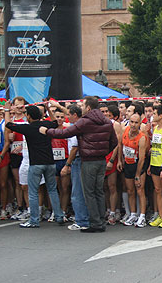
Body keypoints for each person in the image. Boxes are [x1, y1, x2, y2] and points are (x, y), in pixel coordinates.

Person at [41, 96, 117, 233]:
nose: (81, 108)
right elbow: (114, 142)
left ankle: (95, 223)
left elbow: (65, 133)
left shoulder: (85, 122)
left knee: (89, 192)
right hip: (101, 160)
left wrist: (47, 131)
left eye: (82, 106)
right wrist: (104, 152)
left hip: (88, 160)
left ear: (88, 108)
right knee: (98, 191)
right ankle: (100, 220)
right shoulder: (107, 121)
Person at [6, 105, 65, 228]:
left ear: (28, 116)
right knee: (52, 190)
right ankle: (59, 216)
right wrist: (48, 109)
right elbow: (55, 122)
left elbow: (9, 125)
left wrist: (7, 110)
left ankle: (34, 220)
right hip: (50, 162)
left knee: (32, 192)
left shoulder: (28, 128)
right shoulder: (46, 125)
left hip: (36, 164)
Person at [117, 111, 149, 228]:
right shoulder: (125, 130)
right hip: (128, 164)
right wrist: (120, 160)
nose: (134, 125)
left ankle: (142, 216)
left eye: (136, 123)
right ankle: (133, 214)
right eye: (132, 122)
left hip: (138, 165)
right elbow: (120, 145)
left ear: (140, 124)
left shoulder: (142, 138)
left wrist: (137, 175)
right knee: (130, 191)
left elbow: (141, 158)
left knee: (140, 190)